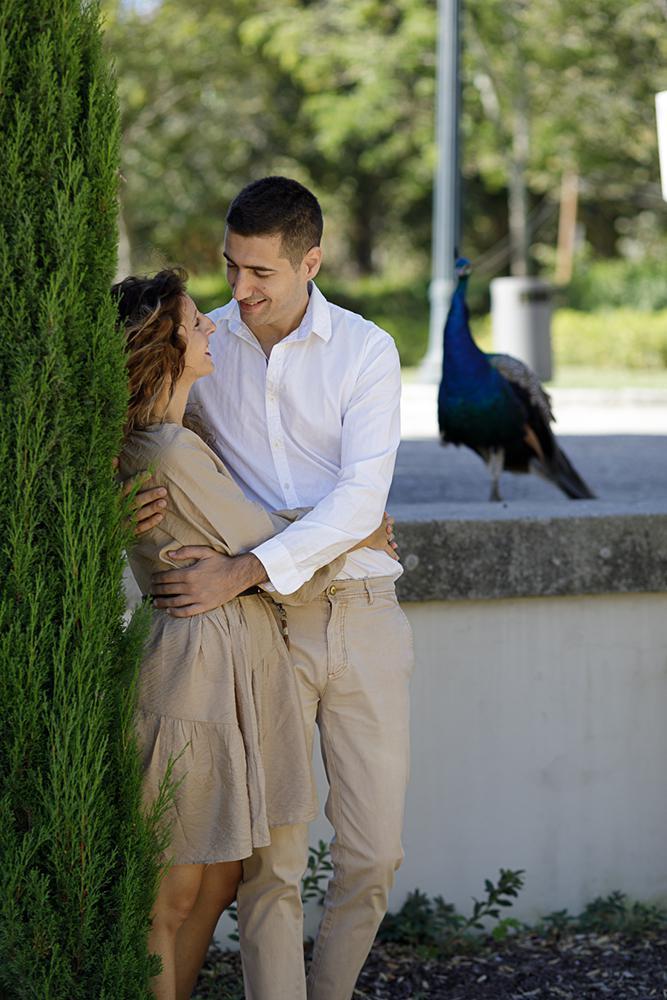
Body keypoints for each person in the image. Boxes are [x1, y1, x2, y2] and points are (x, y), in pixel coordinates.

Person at [134, 176, 414, 1000]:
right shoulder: (206, 347)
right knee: (271, 866)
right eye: (232, 267)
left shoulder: (366, 351)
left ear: (311, 262)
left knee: (372, 855)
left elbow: (363, 500)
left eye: (261, 272)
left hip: (362, 613)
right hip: (263, 629)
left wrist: (253, 559)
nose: (242, 290)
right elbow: (153, 445)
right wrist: (115, 508)